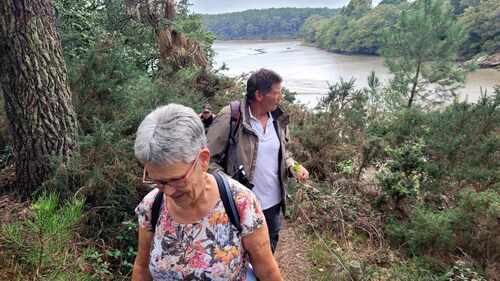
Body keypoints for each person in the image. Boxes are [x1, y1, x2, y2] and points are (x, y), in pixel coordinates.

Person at [132, 104, 283, 281]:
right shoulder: (151, 206)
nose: (169, 191)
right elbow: (142, 268)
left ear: (203, 160)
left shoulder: (240, 202)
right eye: (157, 181)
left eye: (177, 179)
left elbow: (266, 270)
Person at [207, 69, 309, 254]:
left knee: (267, 255)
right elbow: (207, 161)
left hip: (272, 206)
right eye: (276, 93)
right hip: (239, 208)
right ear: (259, 95)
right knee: (238, 256)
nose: (280, 97)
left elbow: (282, 154)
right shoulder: (232, 116)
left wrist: (293, 166)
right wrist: (230, 187)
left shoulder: (278, 119)